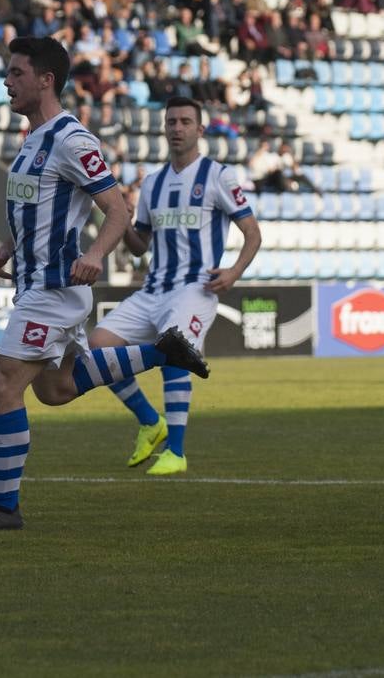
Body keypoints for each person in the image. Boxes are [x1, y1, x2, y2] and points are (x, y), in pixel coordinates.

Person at [0, 36, 208, 533]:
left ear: (45, 80)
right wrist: (9, 245)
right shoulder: (32, 140)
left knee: (3, 384)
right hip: (34, 283)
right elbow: (39, 209)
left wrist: (94, 253)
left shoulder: (72, 139)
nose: (7, 81)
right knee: (57, 388)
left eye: (16, 73)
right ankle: (162, 353)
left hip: (54, 288)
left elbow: (117, 209)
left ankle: (4, 507)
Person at [89, 97, 262, 476]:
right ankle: (151, 422)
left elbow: (252, 234)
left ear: (200, 130)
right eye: (171, 121)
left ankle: (177, 452)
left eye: (185, 121)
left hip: (196, 287)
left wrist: (233, 272)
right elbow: (140, 248)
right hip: (153, 288)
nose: (177, 128)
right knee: (97, 347)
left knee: (174, 347)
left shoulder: (219, 175)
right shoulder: (153, 183)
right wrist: (126, 223)